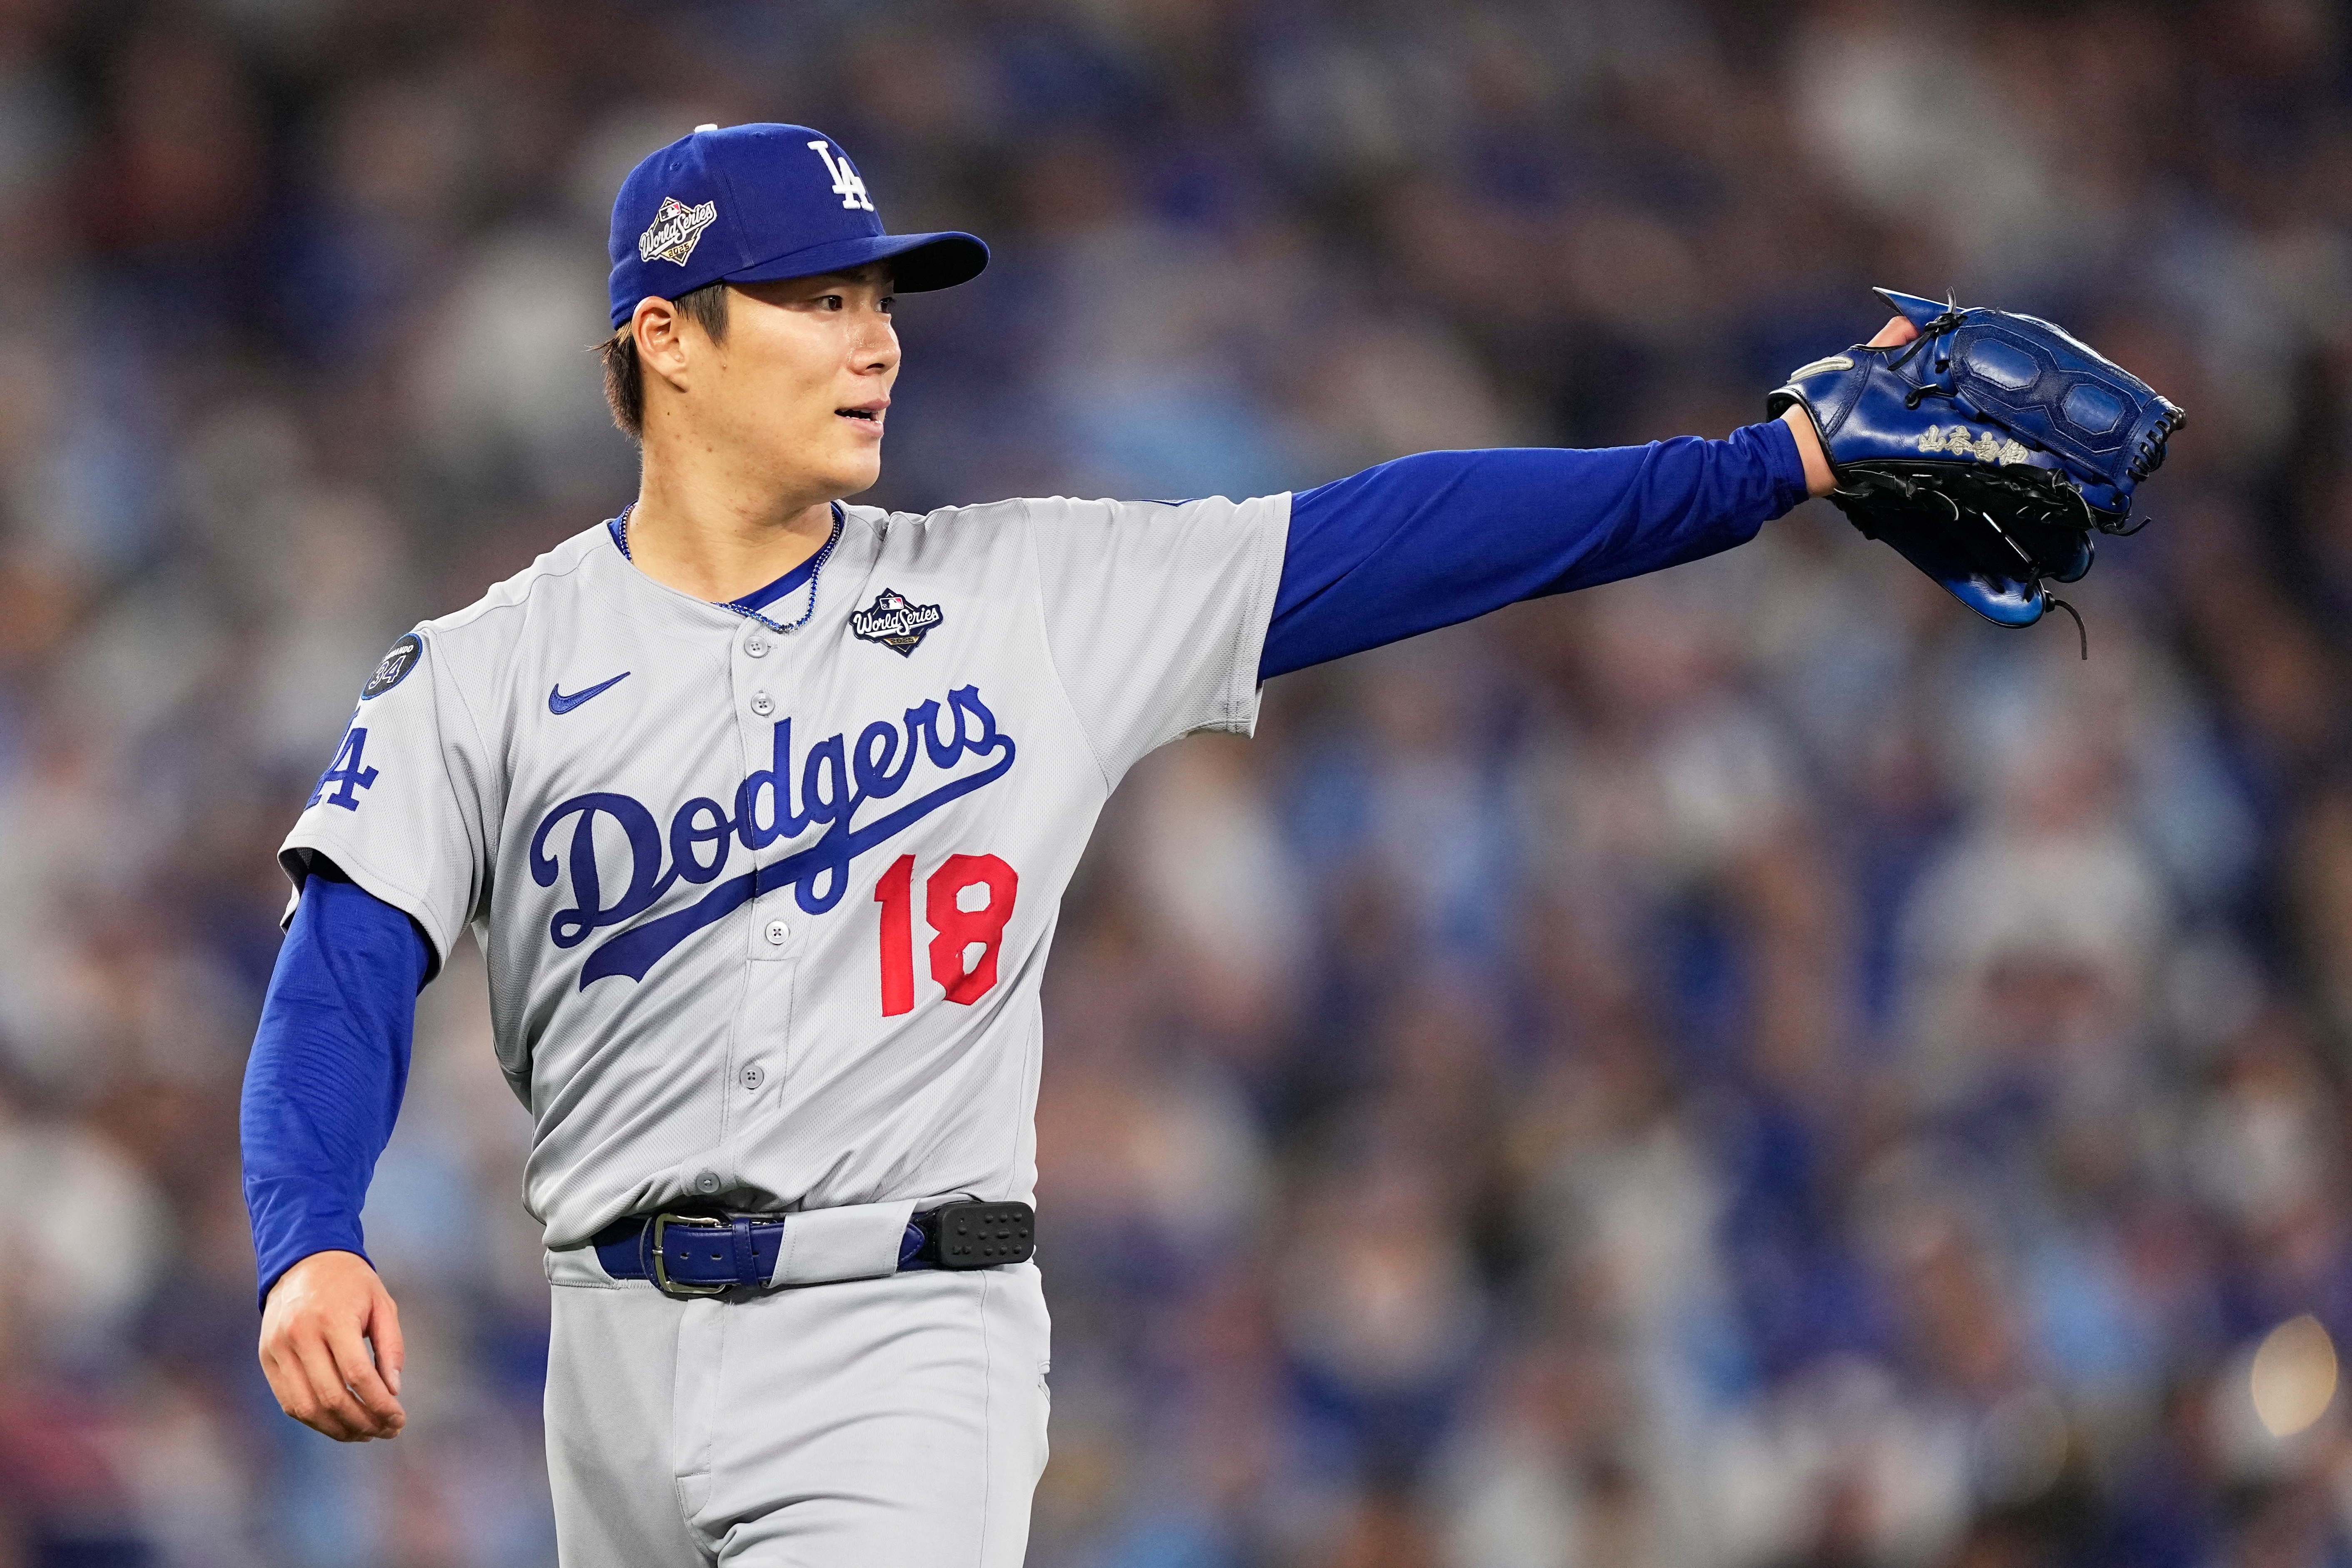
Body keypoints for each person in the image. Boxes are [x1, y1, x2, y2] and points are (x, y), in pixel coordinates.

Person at [240, 121, 1906, 1564]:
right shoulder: (488, 666)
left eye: (880, 300)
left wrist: (1762, 466)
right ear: (665, 339)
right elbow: (344, 966)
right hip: (603, 1344)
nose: (874, 341)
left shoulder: (1021, 596)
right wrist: (308, 1233)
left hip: (897, 1327)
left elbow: (1391, 537)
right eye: (820, 300)